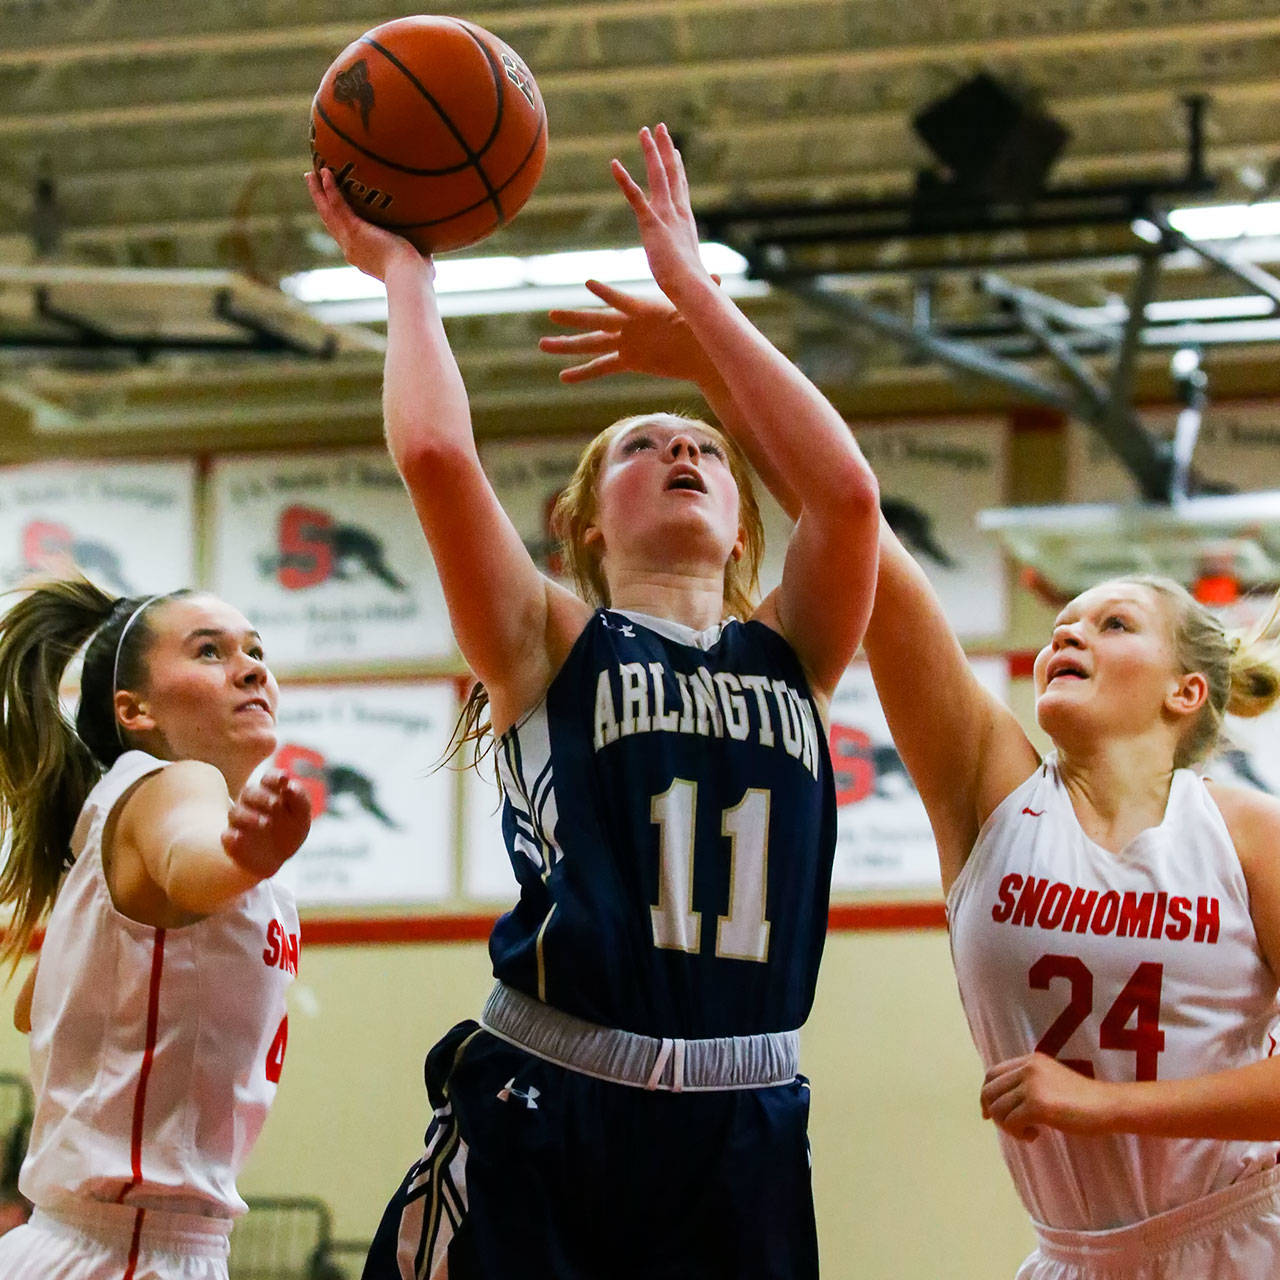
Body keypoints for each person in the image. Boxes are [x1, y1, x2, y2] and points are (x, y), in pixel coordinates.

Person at [539, 279, 1280, 1278]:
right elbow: (855, 532)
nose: (1068, 628)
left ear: (1186, 690)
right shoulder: (992, 786)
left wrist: (1103, 1103)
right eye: (1064, 616)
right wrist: (709, 365)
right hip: (1072, 1254)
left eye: (1111, 623)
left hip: (1245, 1231)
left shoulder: (1241, 833)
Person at [307, 122, 880, 1279]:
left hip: (744, 1104)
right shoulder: (549, 640)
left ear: (739, 517)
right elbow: (433, 455)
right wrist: (407, 279)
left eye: (706, 448)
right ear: (578, 521)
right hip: (549, 1092)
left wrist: (699, 305)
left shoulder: (790, 648)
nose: (680, 448)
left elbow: (848, 495)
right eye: (640, 445)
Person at [0, 577, 311, 1280]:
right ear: (133, 709)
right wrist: (240, 853)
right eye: (209, 651)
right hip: (126, 1249)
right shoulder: (174, 785)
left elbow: (34, 1006)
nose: (252, 666)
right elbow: (188, 859)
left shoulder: (123, 817)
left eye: (256, 649)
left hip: (102, 1244)